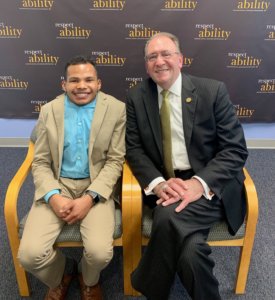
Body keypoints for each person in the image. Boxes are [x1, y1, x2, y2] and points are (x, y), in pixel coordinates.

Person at [126, 32, 248, 300]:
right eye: (152, 57)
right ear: (146, 65)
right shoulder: (136, 97)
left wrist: (197, 184)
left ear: (180, 60)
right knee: (191, 252)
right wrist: (158, 185)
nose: (160, 62)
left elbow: (235, 150)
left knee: (168, 216)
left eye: (166, 54)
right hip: (166, 187)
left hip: (210, 186)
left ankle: (147, 284)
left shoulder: (212, 91)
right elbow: (133, 149)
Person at [18, 55, 126, 300]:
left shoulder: (117, 109)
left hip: (96, 186)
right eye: (74, 80)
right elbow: (42, 161)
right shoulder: (49, 111)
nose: (81, 86)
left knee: (100, 253)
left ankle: (89, 281)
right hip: (59, 185)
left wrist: (90, 198)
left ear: (99, 83)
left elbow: (115, 161)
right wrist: (53, 196)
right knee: (29, 255)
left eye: (89, 79)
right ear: (63, 85)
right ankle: (63, 274)